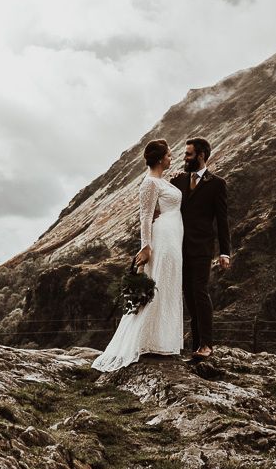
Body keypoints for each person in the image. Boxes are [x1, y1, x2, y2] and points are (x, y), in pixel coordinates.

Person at [92, 139, 184, 372]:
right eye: (169, 155)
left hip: (174, 239)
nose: (171, 158)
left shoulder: (162, 182)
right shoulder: (150, 184)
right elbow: (144, 216)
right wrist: (146, 246)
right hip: (162, 238)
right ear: (161, 158)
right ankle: (145, 342)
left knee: (170, 284)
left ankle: (163, 341)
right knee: (159, 284)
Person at [170, 137, 231, 362]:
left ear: (201, 156)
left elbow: (222, 221)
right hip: (178, 248)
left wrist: (225, 252)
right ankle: (196, 348)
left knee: (199, 291)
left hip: (202, 249)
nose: (184, 158)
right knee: (189, 297)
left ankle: (207, 344)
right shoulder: (178, 181)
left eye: (188, 154)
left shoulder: (217, 184)